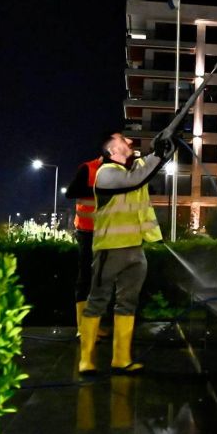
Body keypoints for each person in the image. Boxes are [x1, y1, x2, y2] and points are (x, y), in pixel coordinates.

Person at [78, 129, 173, 375]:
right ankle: (86, 360)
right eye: (123, 140)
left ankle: (121, 358)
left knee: (128, 303)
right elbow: (137, 177)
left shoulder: (131, 172)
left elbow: (145, 171)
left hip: (135, 249)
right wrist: (156, 155)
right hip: (110, 249)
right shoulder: (106, 174)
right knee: (97, 300)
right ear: (112, 150)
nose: (129, 141)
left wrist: (162, 152)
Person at [64, 151, 109, 340]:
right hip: (86, 231)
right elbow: (71, 192)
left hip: (105, 232)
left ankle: (93, 325)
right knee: (85, 277)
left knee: (99, 279)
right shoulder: (88, 169)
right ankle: (83, 328)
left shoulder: (113, 170)